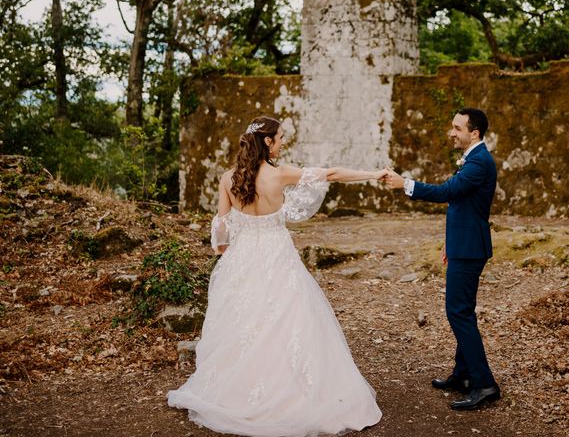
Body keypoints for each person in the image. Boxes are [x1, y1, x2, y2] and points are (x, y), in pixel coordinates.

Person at [168, 116, 385, 436]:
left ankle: (240, 390)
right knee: (289, 321)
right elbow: (333, 173)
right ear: (267, 142)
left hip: (242, 260)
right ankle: (290, 390)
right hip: (277, 255)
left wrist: (225, 253)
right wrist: (374, 173)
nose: (283, 143)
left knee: (244, 324)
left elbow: (220, 229)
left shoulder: (228, 178)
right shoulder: (280, 174)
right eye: (280, 138)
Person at [383, 108, 500, 411]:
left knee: (459, 313)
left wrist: (404, 184)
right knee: (462, 311)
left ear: (474, 133)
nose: (452, 132)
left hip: (470, 249)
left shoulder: (479, 162)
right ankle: (463, 375)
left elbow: (447, 192)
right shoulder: (474, 159)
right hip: (464, 245)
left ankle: (484, 384)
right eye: (452, 127)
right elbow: (461, 204)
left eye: (458, 128)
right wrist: (450, 243)